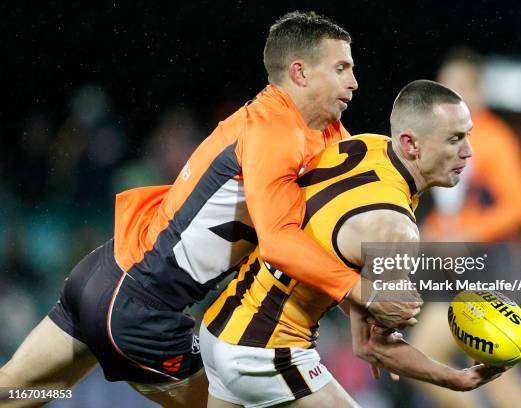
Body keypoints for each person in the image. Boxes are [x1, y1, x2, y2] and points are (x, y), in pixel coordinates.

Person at [0, 11, 420, 408]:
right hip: (141, 309)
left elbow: (324, 238)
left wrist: (365, 313)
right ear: (300, 72)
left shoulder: (323, 135)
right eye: (341, 68)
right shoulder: (275, 131)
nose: (356, 82)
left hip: (101, 277)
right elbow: (278, 243)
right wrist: (367, 293)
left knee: (12, 394)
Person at [200, 80, 507, 408]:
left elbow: (325, 240)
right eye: (454, 139)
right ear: (410, 143)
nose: (468, 151)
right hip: (264, 350)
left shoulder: (367, 146)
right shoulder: (396, 230)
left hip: (219, 325)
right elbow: (371, 347)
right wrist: (458, 379)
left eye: (468, 134)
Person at [409, 48, 521, 408]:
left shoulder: (494, 138)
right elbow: (453, 211)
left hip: (495, 263)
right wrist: (434, 234)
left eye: (462, 86)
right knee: (432, 360)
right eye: (446, 86)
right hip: (460, 272)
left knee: (482, 369)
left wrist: (468, 234)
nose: (452, 94)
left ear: (480, 92)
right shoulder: (440, 140)